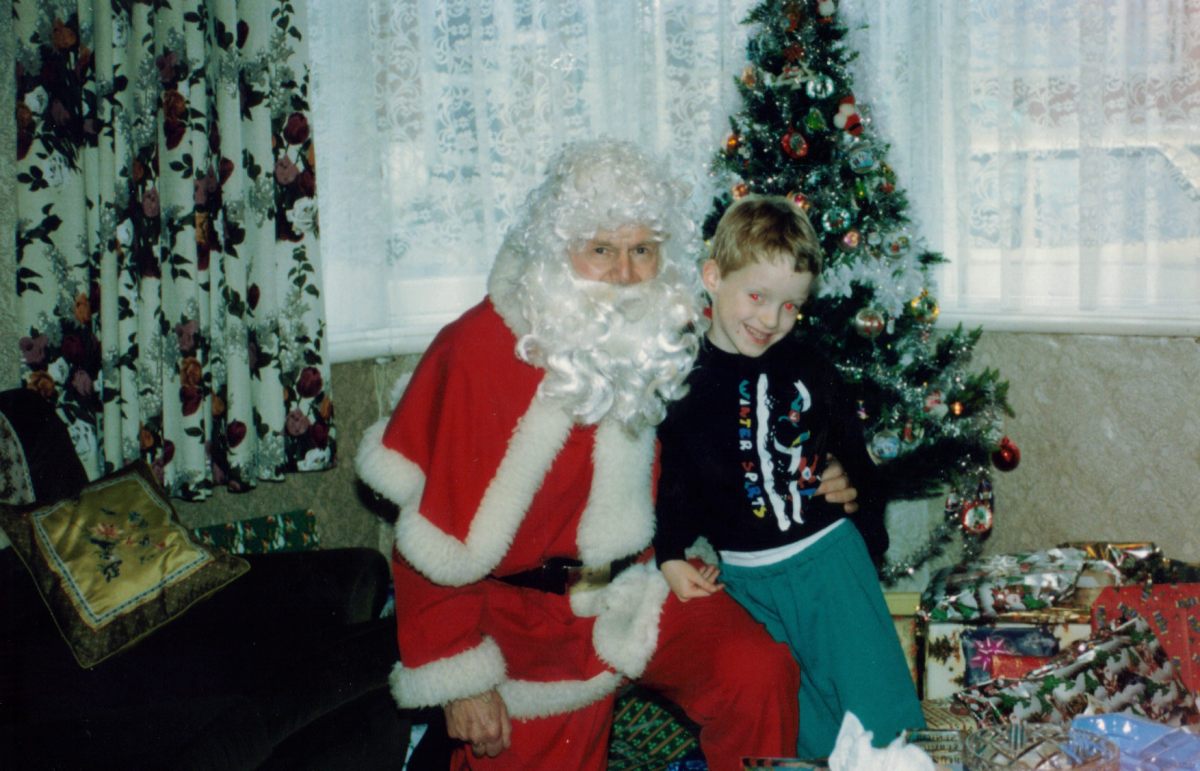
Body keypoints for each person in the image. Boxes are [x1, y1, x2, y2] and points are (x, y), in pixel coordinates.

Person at [354, 140, 863, 770]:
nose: (626, 275)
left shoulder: (662, 338)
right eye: (602, 250)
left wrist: (819, 474)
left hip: (635, 590)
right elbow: (428, 536)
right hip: (514, 624)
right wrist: (459, 678)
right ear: (557, 248)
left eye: (642, 251)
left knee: (756, 668)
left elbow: (749, 427)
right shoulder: (479, 349)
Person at [653, 195, 926, 759]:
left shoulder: (810, 369)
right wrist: (670, 554)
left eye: (790, 307)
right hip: (749, 583)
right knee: (802, 723)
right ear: (712, 278)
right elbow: (673, 481)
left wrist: (864, 534)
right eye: (757, 296)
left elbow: (858, 463)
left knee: (877, 710)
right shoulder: (683, 386)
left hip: (829, 564)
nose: (771, 320)